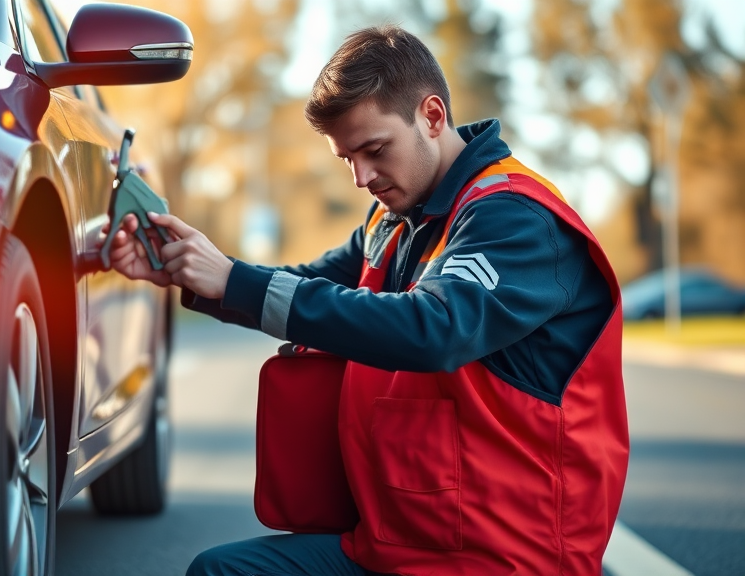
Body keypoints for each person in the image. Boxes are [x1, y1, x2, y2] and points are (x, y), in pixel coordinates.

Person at [105, 25, 629, 576]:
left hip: (502, 558)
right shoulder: (396, 218)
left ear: (431, 116)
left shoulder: (514, 217)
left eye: (374, 150)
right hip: (394, 545)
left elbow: (436, 327)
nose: (361, 177)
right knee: (219, 571)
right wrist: (188, 268)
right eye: (346, 158)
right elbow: (302, 286)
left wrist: (235, 280)